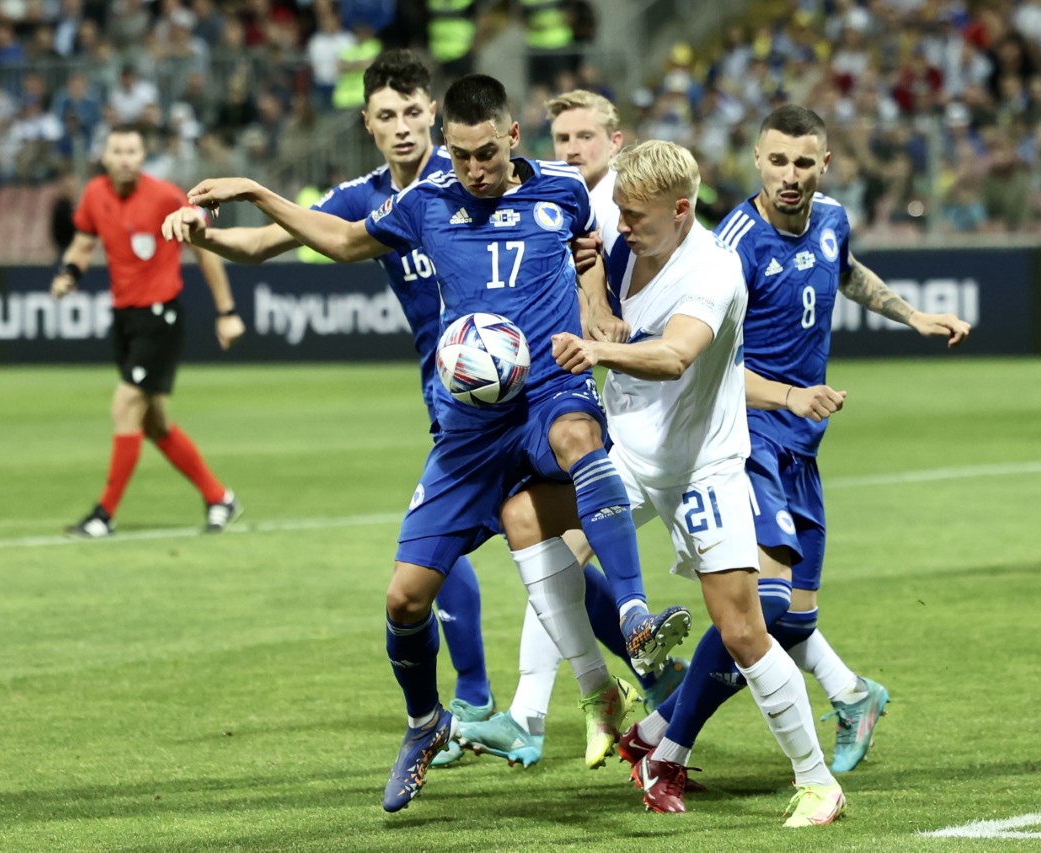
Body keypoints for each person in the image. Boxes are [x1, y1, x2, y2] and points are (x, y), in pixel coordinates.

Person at [179, 73, 689, 812]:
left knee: (581, 437)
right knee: (405, 596)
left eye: (485, 153)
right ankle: (426, 722)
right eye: (461, 157)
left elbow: (586, 252)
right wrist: (259, 192)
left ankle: (638, 620)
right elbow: (344, 240)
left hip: (548, 389)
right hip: (468, 423)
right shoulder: (424, 202)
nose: (474, 170)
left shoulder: (564, 189)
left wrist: (597, 308)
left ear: (513, 138)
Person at [161, 49, 498, 768]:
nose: (404, 127)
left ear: (433, 113)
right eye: (387, 116)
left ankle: (501, 695)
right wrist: (204, 234)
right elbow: (259, 244)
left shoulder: (472, 173)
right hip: (448, 394)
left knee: (513, 540)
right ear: (368, 125)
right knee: (477, 542)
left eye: (414, 112)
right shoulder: (363, 195)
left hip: (509, 390)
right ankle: (500, 695)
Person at [618, 105, 971, 790]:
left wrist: (912, 315)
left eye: (803, 162)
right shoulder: (734, 246)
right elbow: (709, 361)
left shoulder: (832, 218)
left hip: (802, 443)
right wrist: (786, 395)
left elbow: (843, 270)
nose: (790, 175)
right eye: (777, 161)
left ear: (825, 165)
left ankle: (849, 695)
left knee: (792, 614)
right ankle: (664, 739)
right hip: (749, 439)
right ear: (756, 160)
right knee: (765, 605)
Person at [540, 139, 845, 826]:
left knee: (743, 629)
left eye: (637, 215)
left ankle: (817, 780)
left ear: (681, 211)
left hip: (702, 467)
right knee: (539, 543)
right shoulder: (622, 241)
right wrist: (592, 293)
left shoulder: (712, 270)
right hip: (628, 453)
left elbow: (676, 355)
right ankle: (621, 679)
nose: (623, 224)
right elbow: (590, 262)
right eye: (619, 210)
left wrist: (599, 348)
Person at [454, 89, 689, 771]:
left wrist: (606, 324)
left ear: (617, 143)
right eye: (561, 138)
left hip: (671, 427)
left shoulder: (632, 215)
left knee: (759, 614)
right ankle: (604, 691)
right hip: (620, 418)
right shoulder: (557, 210)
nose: (571, 149)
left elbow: (665, 315)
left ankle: (584, 696)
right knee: (534, 528)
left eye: (586, 135)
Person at [53, 125, 246, 538]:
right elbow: (83, 245)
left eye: (133, 150)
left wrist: (226, 310)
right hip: (125, 319)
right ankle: (220, 498)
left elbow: (204, 247)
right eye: (117, 150)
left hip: (160, 317)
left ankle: (103, 514)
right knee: (154, 424)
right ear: (104, 157)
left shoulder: (165, 196)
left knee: (125, 407)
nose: (125, 158)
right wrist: (70, 274)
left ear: (143, 157)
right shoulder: (95, 195)